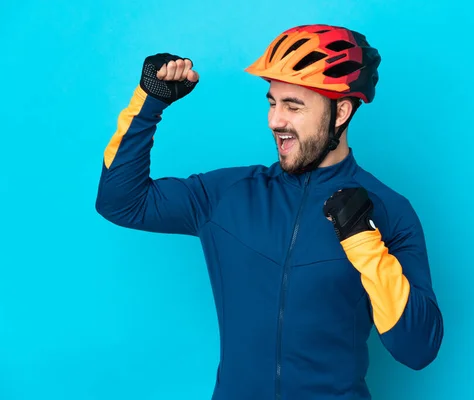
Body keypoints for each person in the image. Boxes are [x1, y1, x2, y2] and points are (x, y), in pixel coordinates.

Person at [96, 24, 443, 400]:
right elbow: (120, 202)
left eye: (293, 106)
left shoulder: (389, 210)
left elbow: (418, 348)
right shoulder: (227, 195)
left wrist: (363, 242)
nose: (275, 121)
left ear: (341, 111)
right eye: (272, 102)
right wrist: (150, 102)